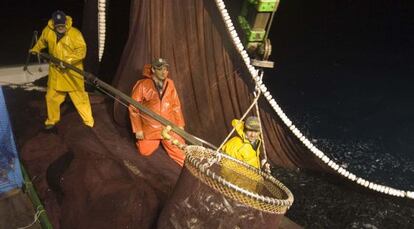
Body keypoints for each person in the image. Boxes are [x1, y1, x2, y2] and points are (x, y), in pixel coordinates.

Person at [30, 10, 94, 129]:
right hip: (56, 72)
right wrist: (36, 49)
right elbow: (42, 41)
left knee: (80, 98)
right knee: (51, 97)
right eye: (58, 25)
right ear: (54, 25)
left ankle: (88, 121)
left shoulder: (75, 34)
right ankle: (52, 120)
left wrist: (68, 60)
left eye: (62, 25)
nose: (61, 27)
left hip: (72, 73)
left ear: (66, 23)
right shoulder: (48, 31)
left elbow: (81, 50)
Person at [129, 58, 186, 166]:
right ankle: (155, 141)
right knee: (144, 150)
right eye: (160, 69)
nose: (164, 72)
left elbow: (176, 105)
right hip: (151, 127)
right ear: (153, 70)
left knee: (182, 154)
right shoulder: (142, 85)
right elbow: (133, 108)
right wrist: (138, 130)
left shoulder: (170, 84)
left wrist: (180, 125)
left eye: (165, 69)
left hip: (168, 126)